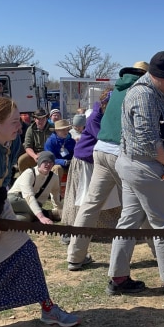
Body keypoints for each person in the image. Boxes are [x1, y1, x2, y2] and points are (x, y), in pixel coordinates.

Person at [107, 50, 164, 299]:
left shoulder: (156, 92)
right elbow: (148, 141)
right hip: (146, 165)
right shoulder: (144, 95)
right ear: (154, 74)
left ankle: (118, 278)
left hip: (138, 164)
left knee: (128, 223)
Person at [0, 97, 80, 327]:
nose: (20, 126)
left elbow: (3, 179)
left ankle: (48, 309)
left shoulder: (12, 142)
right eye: (15, 121)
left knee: (26, 252)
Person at [66, 61, 152, 270]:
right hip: (119, 153)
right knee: (136, 207)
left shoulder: (114, 91)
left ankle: (75, 256)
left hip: (101, 152)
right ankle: (162, 250)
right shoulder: (139, 91)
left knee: (90, 205)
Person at [61, 89, 121, 248]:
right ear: (104, 103)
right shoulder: (95, 117)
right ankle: (72, 231)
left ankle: (101, 229)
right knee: (84, 197)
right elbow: (104, 136)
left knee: (104, 196)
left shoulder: (108, 116)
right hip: (85, 160)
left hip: (99, 161)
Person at [8, 151, 62, 223]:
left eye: (51, 162)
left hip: (33, 206)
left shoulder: (54, 177)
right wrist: (41, 216)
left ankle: (4, 218)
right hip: (15, 200)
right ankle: (48, 214)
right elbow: (29, 196)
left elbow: (56, 195)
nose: (48, 164)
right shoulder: (29, 173)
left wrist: (60, 210)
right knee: (10, 202)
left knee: (23, 219)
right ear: (39, 162)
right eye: (45, 161)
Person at [18, 108, 54, 174]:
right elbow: (28, 146)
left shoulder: (53, 128)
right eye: (38, 119)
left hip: (50, 153)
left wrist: (44, 154)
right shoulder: (31, 129)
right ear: (34, 119)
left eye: (43, 118)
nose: (41, 121)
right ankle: (25, 179)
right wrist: (35, 156)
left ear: (46, 118)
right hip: (35, 154)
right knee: (22, 160)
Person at [44, 120, 76, 186]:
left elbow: (75, 154)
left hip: (70, 164)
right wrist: (64, 162)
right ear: (56, 131)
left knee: (79, 165)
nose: (66, 132)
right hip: (56, 164)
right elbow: (50, 158)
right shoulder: (50, 141)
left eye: (67, 129)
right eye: (63, 130)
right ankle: (56, 193)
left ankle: (76, 192)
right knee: (57, 168)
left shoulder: (72, 141)